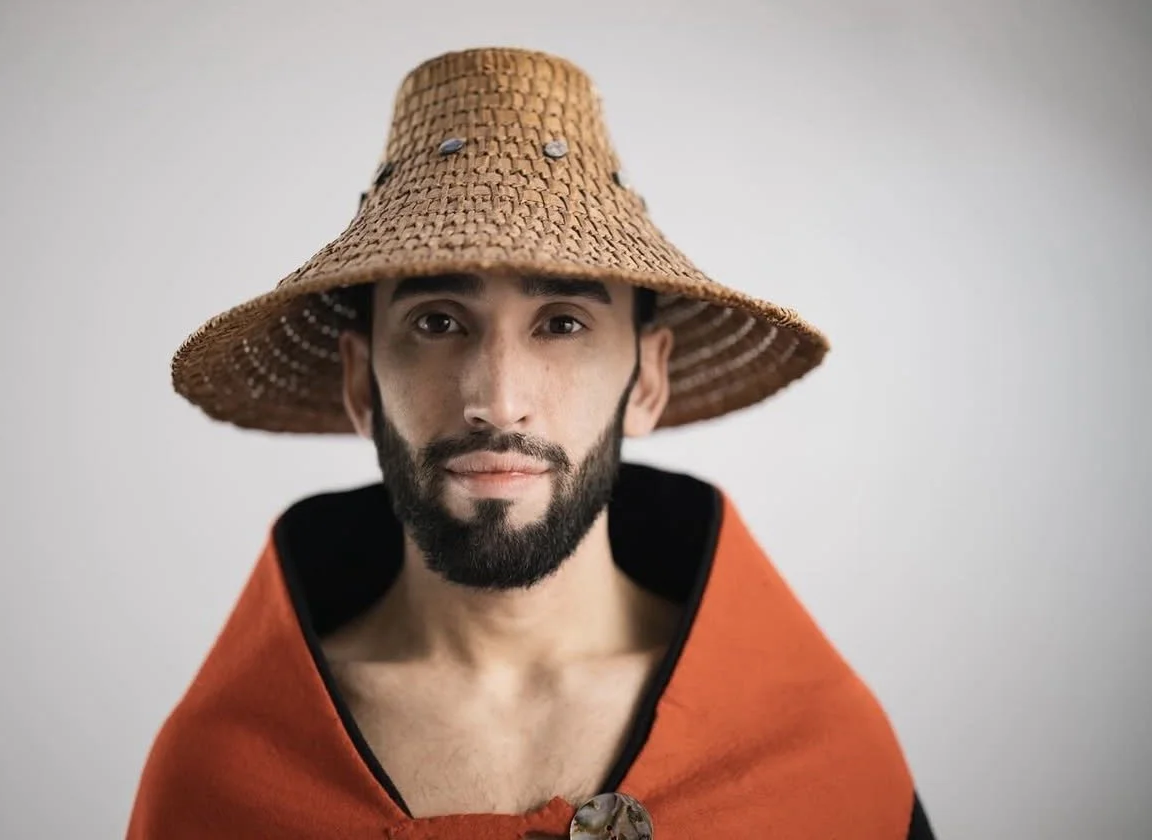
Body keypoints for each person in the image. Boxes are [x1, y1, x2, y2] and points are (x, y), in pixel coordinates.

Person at [127, 46, 936, 839]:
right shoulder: (225, 774)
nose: (497, 400)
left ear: (647, 380)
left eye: (562, 323)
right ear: (359, 380)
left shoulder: (814, 752)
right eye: (438, 322)